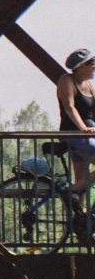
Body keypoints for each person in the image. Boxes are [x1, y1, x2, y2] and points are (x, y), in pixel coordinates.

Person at [57, 47, 95, 218]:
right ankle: (68, 191)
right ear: (80, 66)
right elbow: (69, 107)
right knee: (81, 180)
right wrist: (83, 129)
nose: (94, 67)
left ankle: (80, 221)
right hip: (73, 134)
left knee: (82, 177)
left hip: (87, 135)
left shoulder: (88, 84)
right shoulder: (67, 80)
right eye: (91, 64)